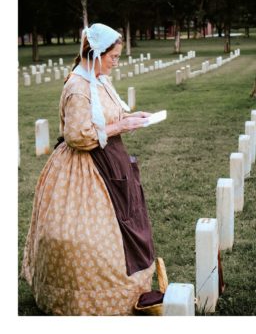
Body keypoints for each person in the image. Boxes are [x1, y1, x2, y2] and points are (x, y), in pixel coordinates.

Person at [22, 23, 167, 315]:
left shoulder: (99, 79)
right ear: (97, 52)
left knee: (126, 223)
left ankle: (131, 290)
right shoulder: (77, 87)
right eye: (113, 55)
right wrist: (121, 126)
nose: (116, 61)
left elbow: (107, 116)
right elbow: (79, 135)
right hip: (83, 167)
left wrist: (129, 117)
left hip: (111, 160)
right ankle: (90, 298)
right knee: (85, 237)